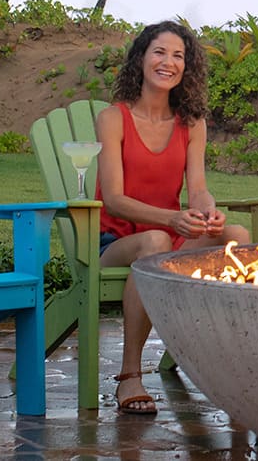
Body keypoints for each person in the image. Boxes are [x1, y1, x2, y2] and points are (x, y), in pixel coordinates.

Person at [94, 21, 249, 415]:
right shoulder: (114, 118)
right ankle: (130, 375)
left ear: (188, 67)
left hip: (170, 235)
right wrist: (172, 219)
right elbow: (113, 199)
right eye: (160, 52)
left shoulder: (191, 123)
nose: (169, 62)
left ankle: (232, 363)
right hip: (114, 243)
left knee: (237, 234)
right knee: (155, 243)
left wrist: (207, 211)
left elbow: (197, 188)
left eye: (178, 55)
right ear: (141, 59)